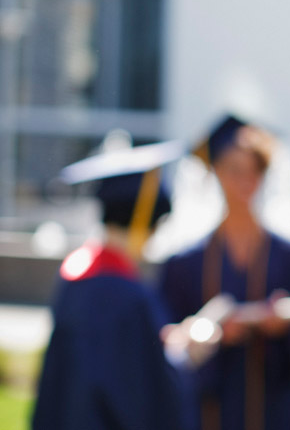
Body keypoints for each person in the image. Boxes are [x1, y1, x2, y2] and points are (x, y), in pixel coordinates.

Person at [158, 115, 290, 430]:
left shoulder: (289, 255)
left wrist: (283, 324)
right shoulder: (187, 260)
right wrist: (206, 332)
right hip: (210, 404)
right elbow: (168, 330)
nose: (244, 183)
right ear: (215, 172)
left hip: (275, 403)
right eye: (234, 171)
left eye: (254, 172)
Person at [33, 139, 194, 430]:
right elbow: (145, 393)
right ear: (142, 220)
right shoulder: (129, 296)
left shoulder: (75, 278)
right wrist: (182, 357)